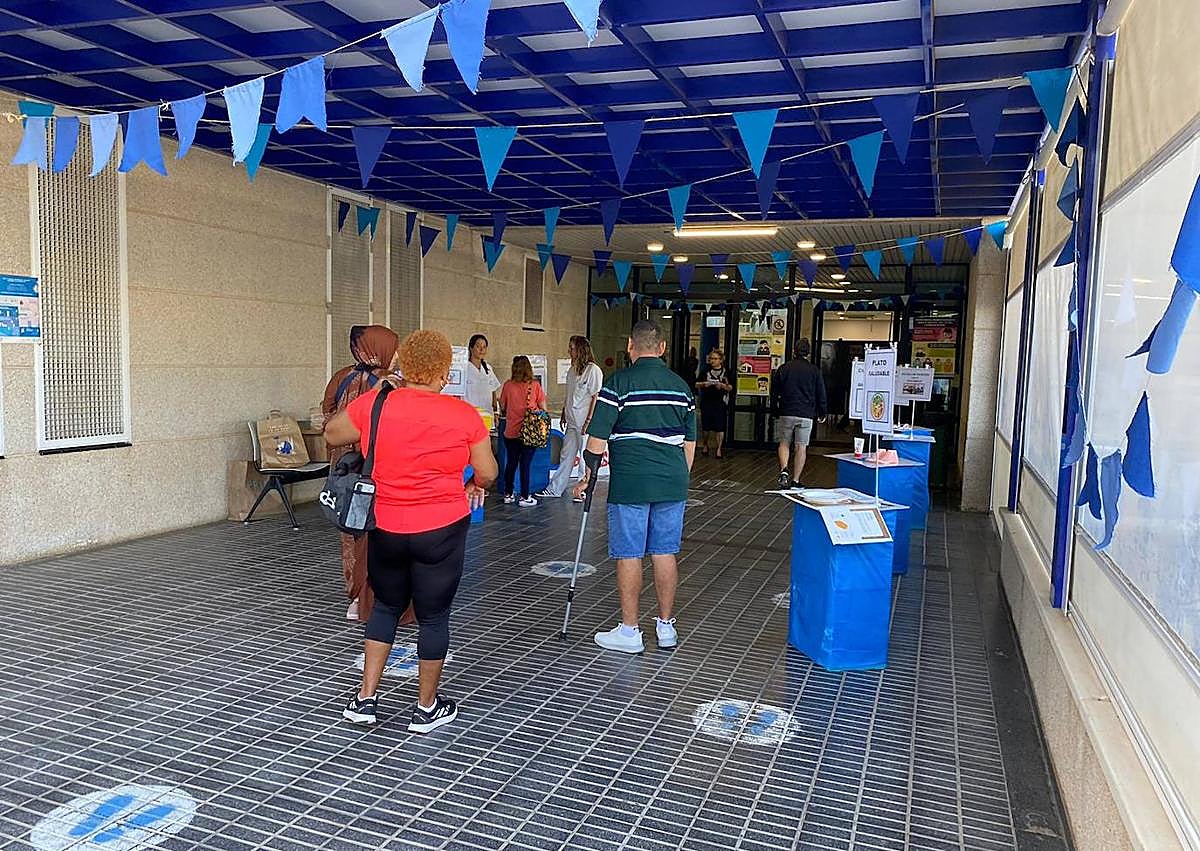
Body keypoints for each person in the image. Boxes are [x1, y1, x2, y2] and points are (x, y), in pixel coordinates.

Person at [325, 330, 497, 733]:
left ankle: (365, 700)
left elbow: (332, 432)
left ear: (403, 366)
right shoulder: (464, 416)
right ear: (442, 373)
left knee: (385, 606)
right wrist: (475, 486)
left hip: (386, 523)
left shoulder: (377, 404)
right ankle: (425, 707)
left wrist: (382, 392)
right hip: (441, 527)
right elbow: (487, 472)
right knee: (434, 616)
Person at [573, 320, 696, 655]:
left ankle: (630, 631)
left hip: (631, 482)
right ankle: (666, 627)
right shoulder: (682, 388)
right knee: (664, 551)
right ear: (663, 347)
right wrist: (677, 478)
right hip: (672, 480)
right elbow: (689, 445)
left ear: (630, 345)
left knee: (629, 553)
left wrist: (587, 478)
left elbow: (597, 442)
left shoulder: (619, 384)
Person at [322, 325, 412, 627]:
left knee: (352, 529)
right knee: (381, 532)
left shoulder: (342, 375)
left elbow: (327, 412)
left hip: (344, 467)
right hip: (377, 466)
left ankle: (357, 596)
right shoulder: (393, 383)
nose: (397, 353)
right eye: (394, 347)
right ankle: (381, 598)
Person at [537, 336, 602, 500]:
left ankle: (583, 489)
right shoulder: (572, 370)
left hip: (585, 421)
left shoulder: (593, 370)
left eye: (572, 348)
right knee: (567, 454)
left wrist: (589, 420)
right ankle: (556, 488)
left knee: (585, 457)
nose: (569, 351)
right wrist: (565, 412)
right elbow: (570, 394)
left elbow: (596, 396)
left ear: (580, 349)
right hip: (573, 420)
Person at [771, 338, 828, 488]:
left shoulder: (784, 368)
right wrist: (822, 412)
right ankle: (796, 480)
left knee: (784, 443)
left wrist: (774, 409)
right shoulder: (814, 370)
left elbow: (774, 391)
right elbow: (820, 393)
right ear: (808, 353)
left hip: (787, 411)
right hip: (806, 413)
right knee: (801, 447)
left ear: (794, 351)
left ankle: (784, 469)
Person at [498, 355, 547, 507]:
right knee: (525, 464)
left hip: (511, 431)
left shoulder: (508, 385)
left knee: (511, 463)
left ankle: (508, 493)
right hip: (530, 432)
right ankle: (525, 496)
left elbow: (503, 406)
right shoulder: (535, 385)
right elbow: (544, 409)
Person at [695, 349, 732, 459]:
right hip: (707, 401)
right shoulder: (705, 370)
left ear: (721, 360)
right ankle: (705, 444)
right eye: (711, 359)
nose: (712, 361)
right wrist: (704, 384)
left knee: (720, 426)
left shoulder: (726, 372)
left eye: (715, 359)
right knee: (706, 426)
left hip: (720, 402)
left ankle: (719, 448)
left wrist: (722, 386)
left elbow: (730, 387)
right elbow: (696, 384)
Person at [464, 334, 501, 420]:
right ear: (471, 348)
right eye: (478, 346)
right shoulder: (464, 368)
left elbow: (493, 391)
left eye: (484, 347)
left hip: (487, 415)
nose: (481, 350)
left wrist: (496, 411)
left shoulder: (488, 368)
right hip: (470, 415)